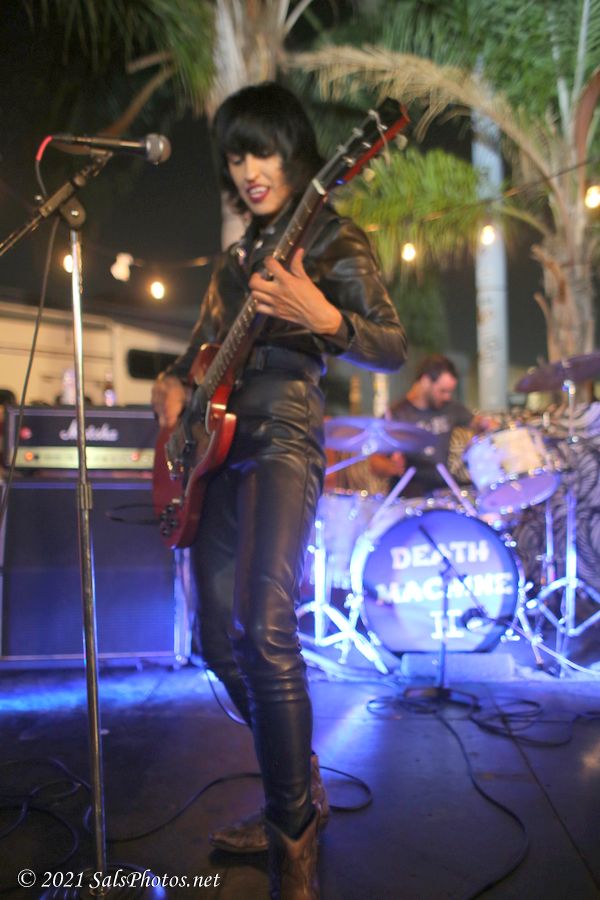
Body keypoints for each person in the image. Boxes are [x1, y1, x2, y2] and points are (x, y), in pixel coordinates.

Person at [151, 82, 407, 898]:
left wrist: (320, 314)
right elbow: (196, 353)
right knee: (217, 643)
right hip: (212, 454)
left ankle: (291, 841)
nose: (249, 170)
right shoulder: (233, 262)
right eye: (236, 157)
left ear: (296, 152)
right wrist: (172, 389)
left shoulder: (330, 234)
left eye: (262, 151)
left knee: (264, 633)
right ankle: (299, 787)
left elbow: (391, 343)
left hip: (284, 434)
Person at [370, 354, 482, 498]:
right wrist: (391, 466)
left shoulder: (450, 408)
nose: (447, 396)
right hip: (410, 494)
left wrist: (488, 425)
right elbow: (375, 463)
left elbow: (478, 423)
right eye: (443, 391)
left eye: (450, 392)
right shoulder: (396, 416)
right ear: (425, 381)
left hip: (443, 489)